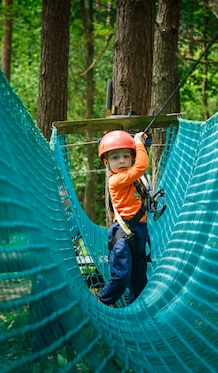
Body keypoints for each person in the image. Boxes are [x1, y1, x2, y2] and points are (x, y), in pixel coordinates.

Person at [97, 130, 150, 306]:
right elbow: (141, 166)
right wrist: (138, 142)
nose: (121, 161)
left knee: (139, 280)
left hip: (139, 232)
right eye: (115, 157)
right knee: (121, 275)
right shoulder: (117, 180)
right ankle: (102, 302)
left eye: (126, 156)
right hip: (123, 235)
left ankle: (138, 312)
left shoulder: (133, 179)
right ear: (105, 162)